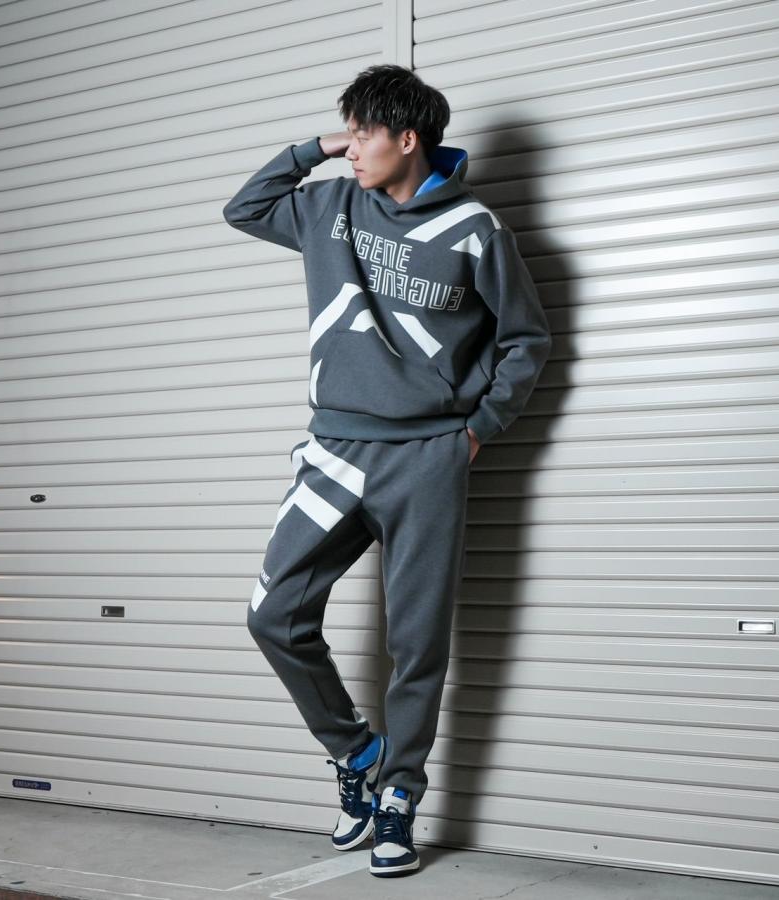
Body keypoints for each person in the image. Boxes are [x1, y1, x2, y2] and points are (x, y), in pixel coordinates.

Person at [222, 63, 551, 878]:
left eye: (364, 132)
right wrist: (319, 146)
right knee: (274, 615)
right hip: (334, 447)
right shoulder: (330, 206)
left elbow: (525, 340)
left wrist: (476, 432)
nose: (352, 145)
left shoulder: (475, 229)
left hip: (428, 460)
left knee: (417, 644)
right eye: (348, 131)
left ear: (408, 139)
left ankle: (400, 794)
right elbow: (245, 208)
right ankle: (357, 752)